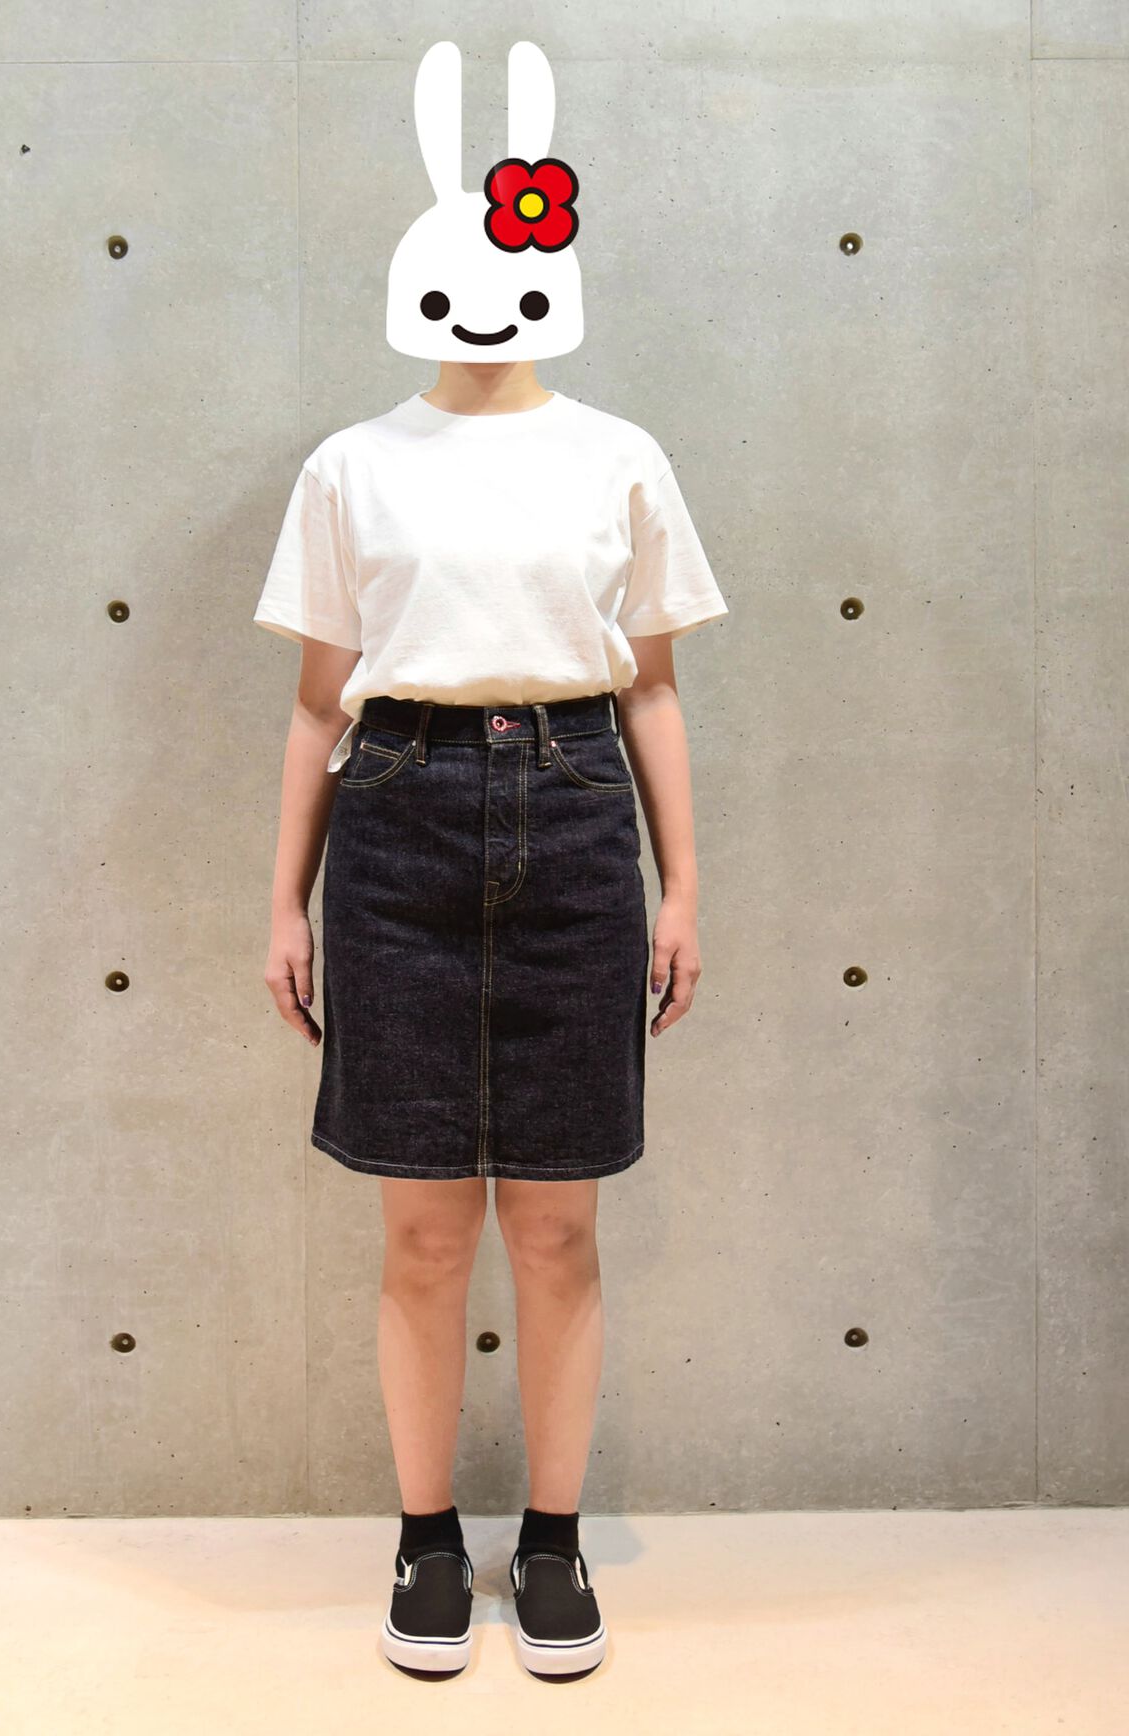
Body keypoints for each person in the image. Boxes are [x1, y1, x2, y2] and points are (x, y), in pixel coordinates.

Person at [254, 357, 728, 1680]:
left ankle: (552, 1543)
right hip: (394, 815)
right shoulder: (352, 464)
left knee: (558, 1228)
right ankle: (426, 1542)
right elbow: (318, 700)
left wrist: (684, 888)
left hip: (576, 814)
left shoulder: (619, 454)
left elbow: (651, 688)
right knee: (422, 1232)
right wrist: (284, 902)